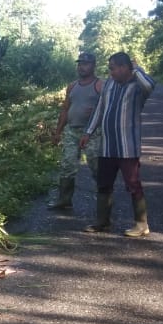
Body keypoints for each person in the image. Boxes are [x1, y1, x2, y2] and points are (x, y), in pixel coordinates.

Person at [80, 53, 156, 237]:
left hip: (127, 146)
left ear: (123, 67)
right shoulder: (109, 84)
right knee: (104, 183)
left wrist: (135, 68)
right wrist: (88, 132)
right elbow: (100, 109)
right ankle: (102, 222)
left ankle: (142, 224)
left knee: (133, 183)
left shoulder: (138, 87)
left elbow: (150, 85)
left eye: (113, 68)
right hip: (107, 145)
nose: (110, 72)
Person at [48, 52, 104, 209]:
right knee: (67, 165)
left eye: (85, 64)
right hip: (71, 132)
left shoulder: (100, 85)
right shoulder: (72, 86)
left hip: (93, 133)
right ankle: (64, 199)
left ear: (93, 65)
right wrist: (58, 132)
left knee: (97, 167)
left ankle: (103, 203)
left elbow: (106, 108)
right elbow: (65, 109)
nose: (82, 67)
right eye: (80, 64)